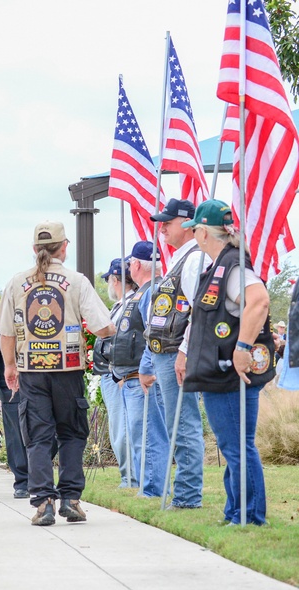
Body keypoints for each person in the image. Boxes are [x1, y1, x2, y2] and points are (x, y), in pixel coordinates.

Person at [0, 221, 114, 526]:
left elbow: (6, 332)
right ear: (64, 247)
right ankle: (71, 500)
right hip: (69, 369)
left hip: (31, 371)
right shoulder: (76, 281)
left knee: (37, 436)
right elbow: (102, 327)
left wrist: (10, 366)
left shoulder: (17, 282)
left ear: (34, 249)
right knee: (72, 433)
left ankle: (43, 502)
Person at [180, 200, 275, 525]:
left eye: (194, 228)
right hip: (218, 372)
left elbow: (259, 301)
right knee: (233, 445)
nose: (192, 233)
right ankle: (236, 513)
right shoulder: (220, 266)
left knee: (236, 446)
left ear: (203, 231)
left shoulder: (233, 267)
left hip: (229, 373)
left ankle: (249, 517)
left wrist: (242, 347)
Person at [139, 198, 209, 508]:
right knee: (176, 423)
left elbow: (200, 311)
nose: (162, 227)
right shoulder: (182, 258)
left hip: (175, 354)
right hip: (164, 354)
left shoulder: (194, 259)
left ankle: (188, 497)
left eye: (168, 221)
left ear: (188, 223)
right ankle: (184, 494)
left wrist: (183, 352)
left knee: (183, 423)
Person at [110, 241, 169, 497]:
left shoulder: (151, 292)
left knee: (148, 436)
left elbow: (152, 336)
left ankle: (153, 490)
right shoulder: (145, 291)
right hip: (133, 377)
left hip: (143, 378)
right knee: (141, 436)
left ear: (135, 265)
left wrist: (144, 369)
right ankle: (149, 487)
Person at [93, 258, 136, 487]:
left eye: (109, 279)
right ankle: (128, 476)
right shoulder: (120, 304)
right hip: (111, 372)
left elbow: (124, 339)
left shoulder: (129, 304)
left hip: (118, 373)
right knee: (118, 427)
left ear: (116, 279)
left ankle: (130, 477)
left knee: (122, 428)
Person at [0, 308, 27, 498]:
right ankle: (23, 481)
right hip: (11, 382)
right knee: (16, 433)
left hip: (41, 379)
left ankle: (39, 473)